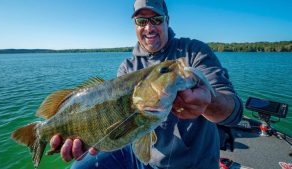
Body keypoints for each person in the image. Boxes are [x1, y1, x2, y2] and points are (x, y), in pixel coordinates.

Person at [50, 0, 243, 168]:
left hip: (193, 164)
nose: (149, 28)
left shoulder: (193, 52)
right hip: (140, 157)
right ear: (135, 25)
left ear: (167, 20)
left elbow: (233, 113)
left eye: (156, 19)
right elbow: (122, 131)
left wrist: (209, 102)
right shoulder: (127, 67)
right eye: (141, 21)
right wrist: (94, 137)